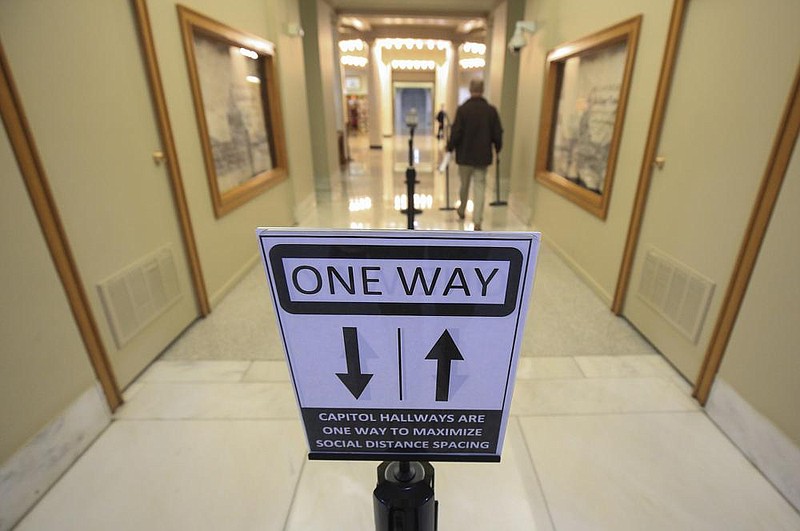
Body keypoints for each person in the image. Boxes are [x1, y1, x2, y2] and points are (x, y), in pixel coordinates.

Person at [446, 79, 503, 231]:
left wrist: (450, 148)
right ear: (482, 90)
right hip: (482, 157)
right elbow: (497, 133)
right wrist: (498, 148)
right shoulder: (491, 111)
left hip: (464, 156)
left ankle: (462, 209)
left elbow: (456, 132)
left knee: (464, 185)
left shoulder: (463, 110)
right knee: (480, 187)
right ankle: (477, 220)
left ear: (471, 90)